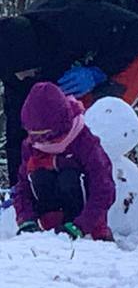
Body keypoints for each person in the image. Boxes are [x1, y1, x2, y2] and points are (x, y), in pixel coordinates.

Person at [0, 0, 138, 186]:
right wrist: (19, 187)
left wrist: (99, 71)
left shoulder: (74, 17)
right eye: (18, 75)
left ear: (32, 54)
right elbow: (19, 128)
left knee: (97, 115)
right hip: (93, 46)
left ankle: (103, 189)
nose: (25, 78)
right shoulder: (14, 68)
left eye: (26, 71)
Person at [13, 82, 115, 241]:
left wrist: (83, 225)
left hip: (87, 224)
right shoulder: (32, 145)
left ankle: (84, 227)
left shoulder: (84, 142)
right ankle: (51, 222)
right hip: (50, 221)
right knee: (38, 175)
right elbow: (23, 187)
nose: (40, 141)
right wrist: (25, 219)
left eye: (45, 135)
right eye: (34, 135)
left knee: (68, 177)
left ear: (60, 127)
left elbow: (103, 188)